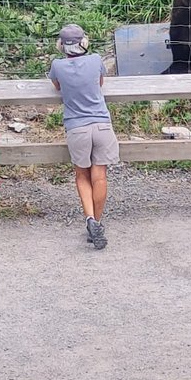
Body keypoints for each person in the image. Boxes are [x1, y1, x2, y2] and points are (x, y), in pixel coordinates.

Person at [49, 24, 119, 250]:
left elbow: (57, 86)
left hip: (76, 127)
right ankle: (97, 222)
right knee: (100, 176)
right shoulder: (96, 59)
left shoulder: (57, 66)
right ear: (84, 42)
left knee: (82, 175)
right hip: (101, 124)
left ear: (61, 46)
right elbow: (100, 83)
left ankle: (89, 218)